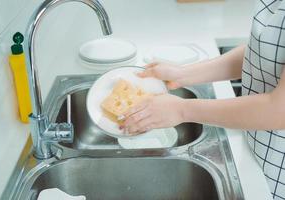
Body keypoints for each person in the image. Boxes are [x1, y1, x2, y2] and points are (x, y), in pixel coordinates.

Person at [121, 0, 285, 199]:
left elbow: (278, 111)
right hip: (259, 150)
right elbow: (260, 52)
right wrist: (184, 74)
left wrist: (182, 110)